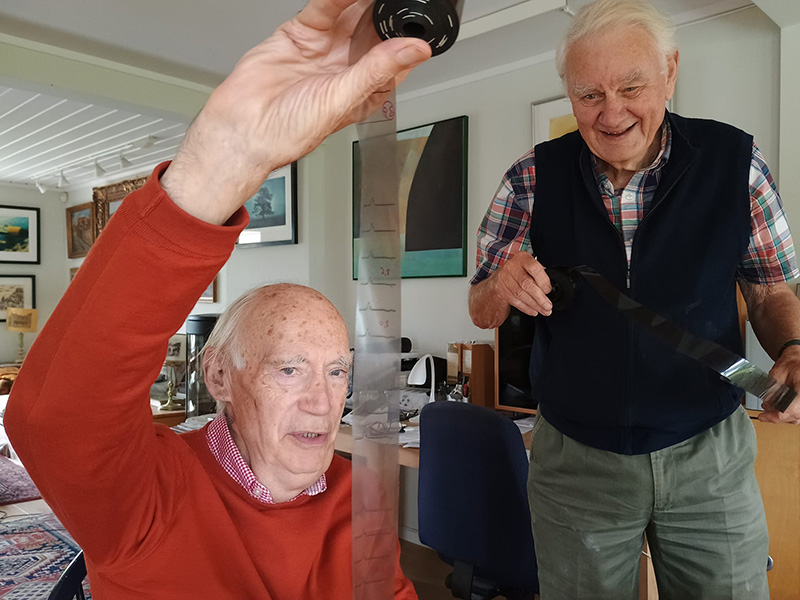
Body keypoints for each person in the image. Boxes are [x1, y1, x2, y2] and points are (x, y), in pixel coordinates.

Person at [4, 0, 432, 598]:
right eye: (289, 368)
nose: (323, 400)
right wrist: (221, 165)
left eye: (338, 371)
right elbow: (55, 420)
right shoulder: (148, 496)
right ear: (219, 376)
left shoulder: (359, 496)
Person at [468, 0, 800, 598]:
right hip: (576, 461)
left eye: (630, 86)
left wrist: (795, 348)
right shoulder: (530, 178)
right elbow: (481, 308)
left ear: (670, 72)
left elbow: (771, 287)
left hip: (710, 454)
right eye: (589, 94)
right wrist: (501, 285)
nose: (611, 111)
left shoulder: (736, 164)